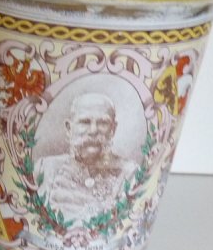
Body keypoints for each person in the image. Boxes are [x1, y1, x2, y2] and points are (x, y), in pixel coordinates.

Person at [34, 93, 137, 224]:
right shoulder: (45, 168)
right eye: (85, 122)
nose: (93, 131)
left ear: (113, 129)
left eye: (103, 123)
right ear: (69, 128)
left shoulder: (130, 174)